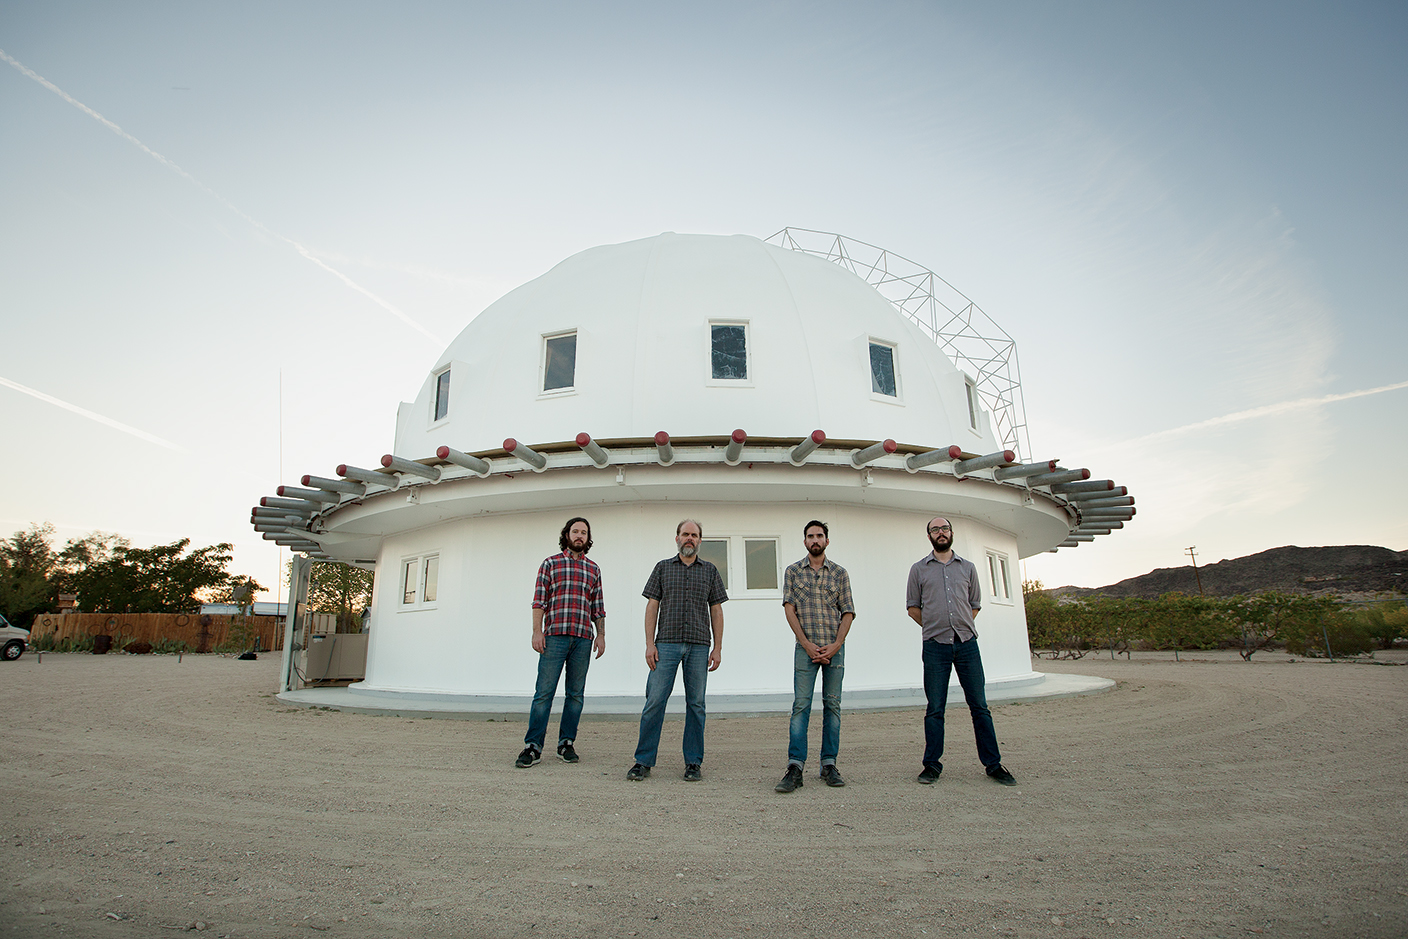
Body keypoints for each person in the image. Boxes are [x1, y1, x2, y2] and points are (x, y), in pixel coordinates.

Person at [905, 516, 1016, 786]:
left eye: (944, 529)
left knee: (979, 707)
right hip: (934, 646)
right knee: (935, 708)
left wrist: (958, 625)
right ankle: (931, 765)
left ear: (951, 533)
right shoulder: (918, 569)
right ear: (929, 535)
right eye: (935, 529)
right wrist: (935, 625)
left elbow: (974, 604)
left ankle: (993, 765)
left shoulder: (968, 568)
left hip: (967, 645)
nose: (940, 533)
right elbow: (912, 607)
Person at [626, 519, 727, 782]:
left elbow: (716, 610)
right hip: (666, 645)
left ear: (700, 540)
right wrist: (650, 644)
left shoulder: (710, 571)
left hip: (698, 645)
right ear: (677, 538)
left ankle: (693, 762)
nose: (689, 538)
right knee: (655, 701)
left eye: (694, 535)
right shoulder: (662, 568)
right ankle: (643, 761)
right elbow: (652, 606)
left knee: (696, 705)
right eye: (685, 534)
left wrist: (717, 648)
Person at [516, 517, 606, 768]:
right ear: (566, 535)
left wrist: (601, 635)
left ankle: (566, 743)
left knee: (575, 695)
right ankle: (532, 747)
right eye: (575, 531)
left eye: (584, 533)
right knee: (544, 694)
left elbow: (598, 607)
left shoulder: (594, 569)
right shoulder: (550, 564)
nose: (579, 536)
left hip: (582, 639)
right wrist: (537, 632)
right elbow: (539, 601)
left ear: (588, 539)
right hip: (554, 637)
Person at [775, 520, 855, 793]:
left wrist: (836, 644)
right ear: (805, 541)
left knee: (833, 706)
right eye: (810, 536)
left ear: (827, 541)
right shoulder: (794, 572)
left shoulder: (840, 574)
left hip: (835, 648)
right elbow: (789, 609)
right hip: (805, 649)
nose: (815, 540)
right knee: (801, 706)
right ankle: (795, 767)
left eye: (819, 535)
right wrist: (806, 644)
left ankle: (829, 765)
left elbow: (848, 612)